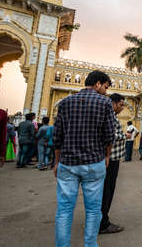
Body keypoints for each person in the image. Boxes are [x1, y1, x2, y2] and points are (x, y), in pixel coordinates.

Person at [53, 70, 115, 247]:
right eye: (105, 87)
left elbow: (57, 137)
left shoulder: (65, 102)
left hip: (68, 164)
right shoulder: (104, 103)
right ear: (97, 84)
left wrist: (57, 162)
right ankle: (90, 245)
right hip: (94, 163)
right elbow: (110, 135)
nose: (106, 91)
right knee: (94, 210)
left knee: (64, 210)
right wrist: (107, 156)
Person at [100, 93, 126, 234]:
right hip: (110, 159)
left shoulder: (110, 115)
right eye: (121, 105)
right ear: (114, 103)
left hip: (110, 158)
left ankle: (100, 219)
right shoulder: (109, 115)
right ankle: (103, 223)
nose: (122, 108)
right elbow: (109, 135)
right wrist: (125, 136)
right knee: (106, 191)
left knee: (105, 191)